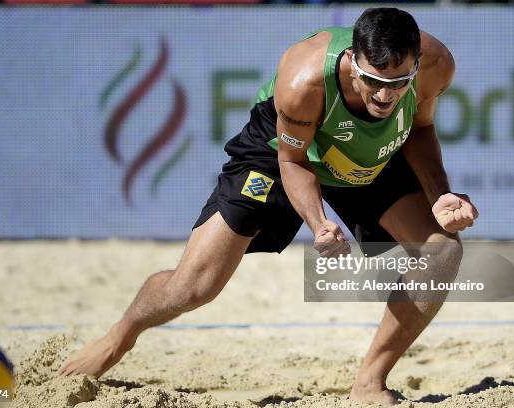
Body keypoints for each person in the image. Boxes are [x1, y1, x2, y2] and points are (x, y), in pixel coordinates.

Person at [60, 8, 479, 405]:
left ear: (416, 64)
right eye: (374, 81)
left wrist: (441, 193)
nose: (386, 95)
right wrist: (318, 223)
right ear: (352, 59)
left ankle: (369, 382)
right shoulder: (304, 81)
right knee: (195, 286)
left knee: (442, 251)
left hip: (363, 154)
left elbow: (420, 130)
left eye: (398, 82)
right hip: (282, 149)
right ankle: (120, 336)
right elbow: (293, 161)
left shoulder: (436, 65)